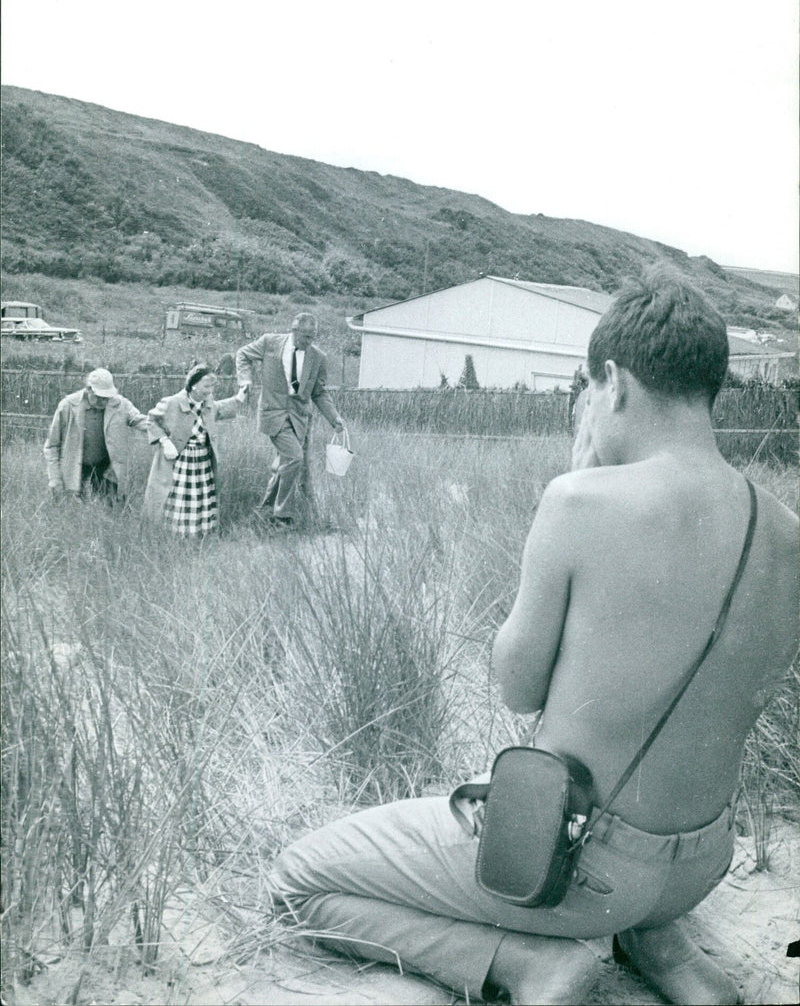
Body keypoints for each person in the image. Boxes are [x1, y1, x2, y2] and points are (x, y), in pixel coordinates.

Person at [265, 267, 798, 1005]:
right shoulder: (788, 534)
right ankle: (665, 950)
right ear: (710, 386)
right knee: (643, 858)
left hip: (578, 867)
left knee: (299, 877)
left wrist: (578, 472)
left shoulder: (581, 500)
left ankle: (525, 965)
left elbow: (516, 686)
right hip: (701, 862)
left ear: (612, 383)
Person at [235, 312, 344, 529]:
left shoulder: (318, 358)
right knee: (294, 458)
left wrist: (334, 418)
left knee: (284, 465)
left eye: (313, 337)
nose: (309, 342)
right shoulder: (269, 342)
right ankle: (281, 515)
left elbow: (319, 393)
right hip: (273, 413)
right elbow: (242, 354)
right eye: (305, 337)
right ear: (294, 331)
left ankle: (264, 509)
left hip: (299, 419)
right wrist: (245, 381)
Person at [143, 364, 246, 536]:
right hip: (180, 461)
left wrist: (239, 398)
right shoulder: (172, 402)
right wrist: (165, 441)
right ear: (193, 385)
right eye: (206, 386)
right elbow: (151, 421)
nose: (210, 390)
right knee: (179, 496)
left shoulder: (208, 403)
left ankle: (199, 533)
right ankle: (173, 535)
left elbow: (219, 409)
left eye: (212, 386)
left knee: (201, 495)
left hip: (202, 459)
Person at [44, 367, 148, 504]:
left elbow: (139, 420)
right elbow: (52, 446)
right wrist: (54, 479)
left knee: (110, 514)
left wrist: (163, 426)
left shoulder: (121, 404)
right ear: (88, 390)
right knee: (76, 515)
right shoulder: (67, 406)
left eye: (107, 398)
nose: (104, 402)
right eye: (99, 398)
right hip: (75, 470)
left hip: (106, 470)